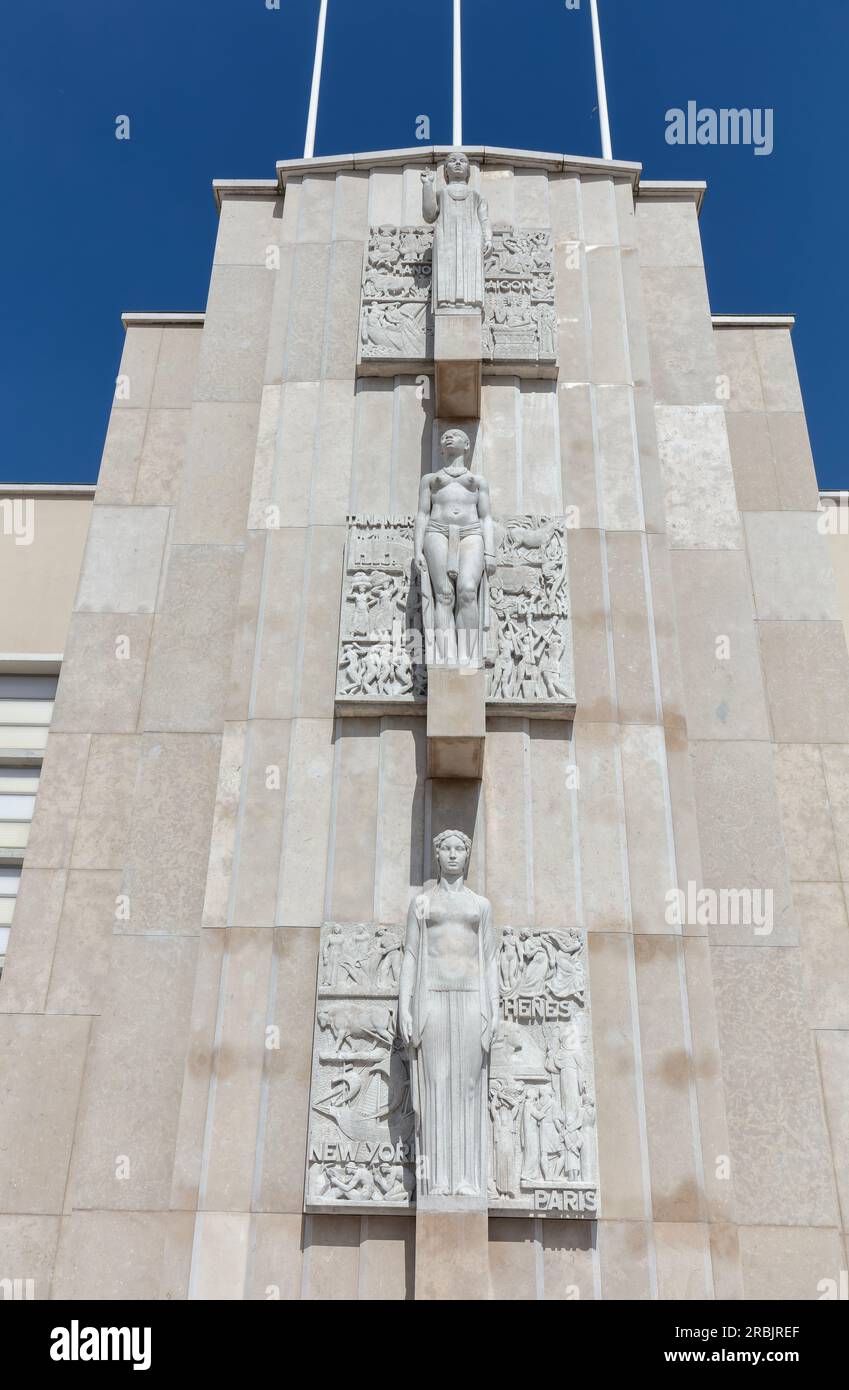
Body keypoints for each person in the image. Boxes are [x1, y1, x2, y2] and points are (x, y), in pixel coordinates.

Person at [398, 830, 499, 1198]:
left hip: (472, 1000)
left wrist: (495, 1006)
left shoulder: (480, 906)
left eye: (460, 849)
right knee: (437, 1086)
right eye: (447, 849)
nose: (454, 855)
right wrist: (404, 1006)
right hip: (434, 1000)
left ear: (467, 856)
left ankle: (467, 1178)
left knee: (469, 1089)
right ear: (438, 855)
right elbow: (411, 954)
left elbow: (489, 958)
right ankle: (438, 1178)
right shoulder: (423, 904)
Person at [414, 428, 496, 664]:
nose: (448, 437)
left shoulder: (477, 481)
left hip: (471, 533)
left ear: (467, 444)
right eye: (444, 436)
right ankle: (447, 658)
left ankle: (467, 656)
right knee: (444, 594)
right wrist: (416, 549)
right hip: (437, 532)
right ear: (440, 448)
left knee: (468, 590)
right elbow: (422, 513)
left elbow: (486, 517)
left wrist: (490, 551)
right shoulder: (430, 480)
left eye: (455, 435)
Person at [421, 151, 491, 310]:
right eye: (452, 161)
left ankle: (471, 303)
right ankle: (445, 302)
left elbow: (484, 219)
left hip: (471, 237)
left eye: (463, 161)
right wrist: (427, 185)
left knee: (469, 274)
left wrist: (488, 239)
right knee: (446, 271)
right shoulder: (442, 193)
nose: (458, 163)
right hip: (446, 237)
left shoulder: (476, 195)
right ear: (446, 171)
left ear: (468, 171)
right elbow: (429, 215)